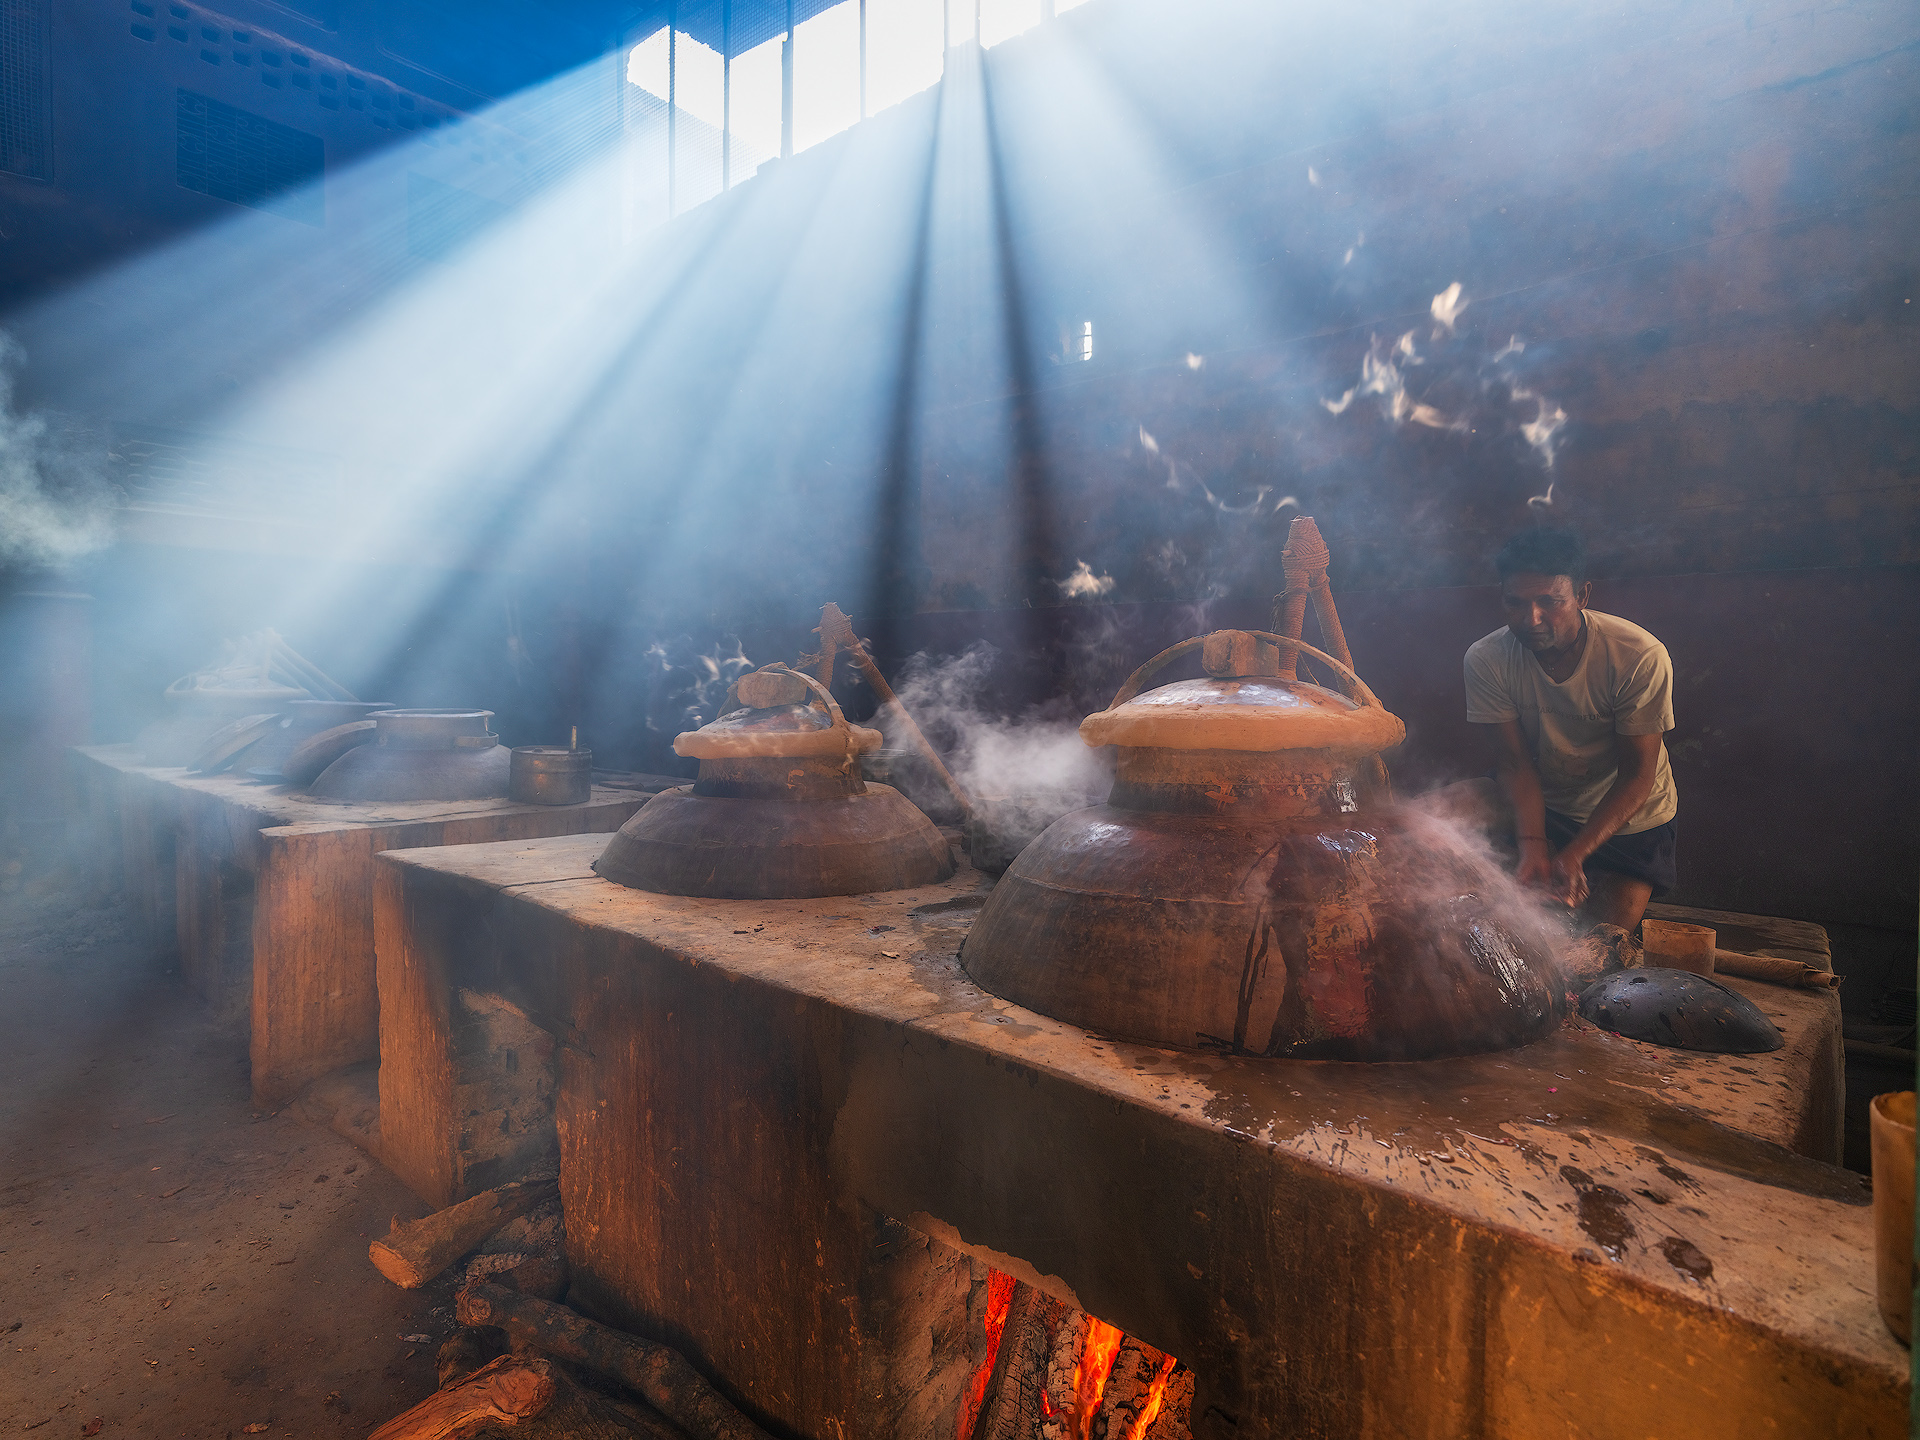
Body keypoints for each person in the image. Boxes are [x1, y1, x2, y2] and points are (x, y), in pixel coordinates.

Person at [1462, 527, 1678, 931]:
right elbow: (1514, 764)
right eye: (1516, 603)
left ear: (1582, 596)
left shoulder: (1638, 655)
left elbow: (1638, 776)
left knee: (1597, 947)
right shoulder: (1486, 658)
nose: (1532, 620)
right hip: (1542, 801)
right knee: (1433, 817)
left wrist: (1576, 853)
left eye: (1550, 602)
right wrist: (1533, 845)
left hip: (1628, 822)